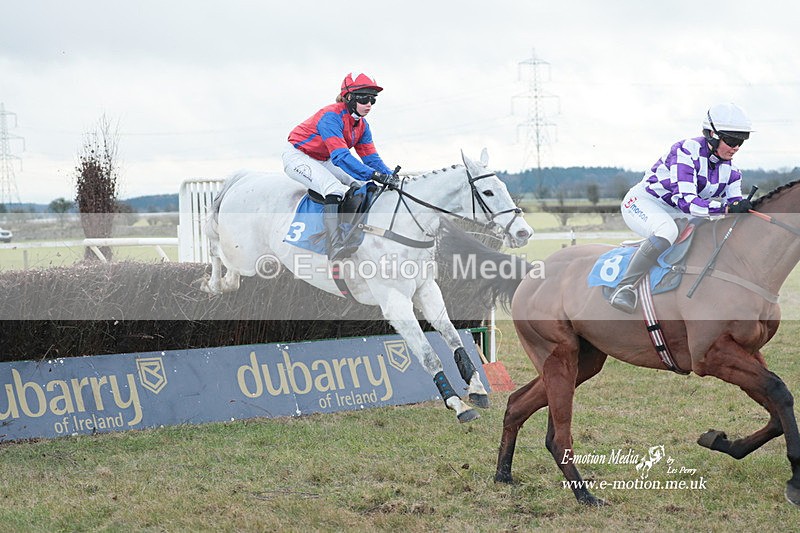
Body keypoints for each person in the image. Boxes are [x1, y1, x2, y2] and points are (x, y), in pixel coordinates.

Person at [609, 102, 755, 313]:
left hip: (678, 212)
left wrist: (742, 208)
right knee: (666, 231)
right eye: (732, 140)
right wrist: (726, 210)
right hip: (644, 203)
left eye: (742, 141)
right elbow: (687, 202)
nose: (736, 147)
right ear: (712, 135)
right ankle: (625, 288)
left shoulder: (733, 172)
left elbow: (733, 207)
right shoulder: (685, 151)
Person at [282, 72, 398, 260]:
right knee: (334, 188)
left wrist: (389, 175)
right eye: (364, 98)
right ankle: (334, 244)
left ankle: (352, 232)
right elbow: (341, 157)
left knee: (362, 186)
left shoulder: (362, 125)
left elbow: (371, 158)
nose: (369, 104)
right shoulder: (330, 116)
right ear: (349, 97)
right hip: (298, 156)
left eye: (373, 99)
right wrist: (374, 174)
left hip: (323, 158)